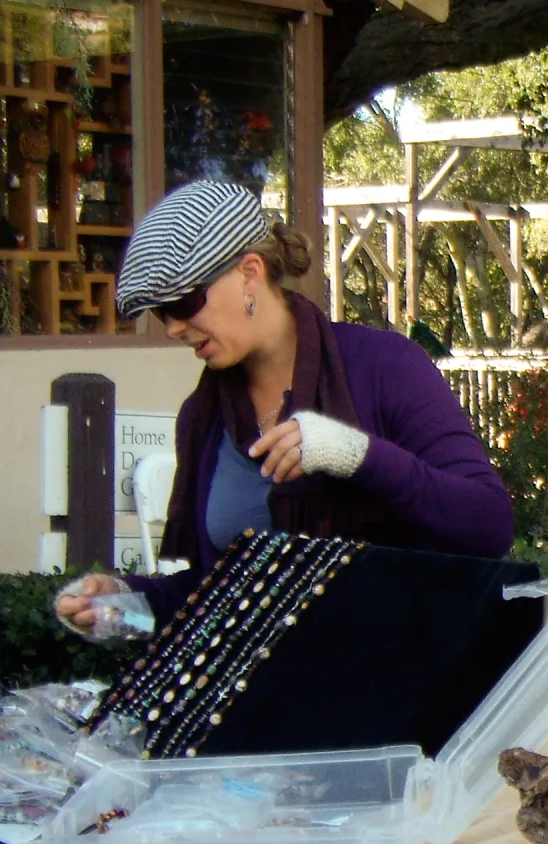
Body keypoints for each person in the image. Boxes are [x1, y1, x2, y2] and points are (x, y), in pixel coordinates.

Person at [55, 180, 514, 632]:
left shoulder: (384, 366)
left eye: (183, 302)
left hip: (395, 682)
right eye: (161, 313)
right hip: (261, 696)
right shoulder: (204, 416)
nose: (174, 328)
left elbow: (489, 528)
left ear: (249, 272)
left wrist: (360, 456)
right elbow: (218, 598)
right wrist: (123, 606)